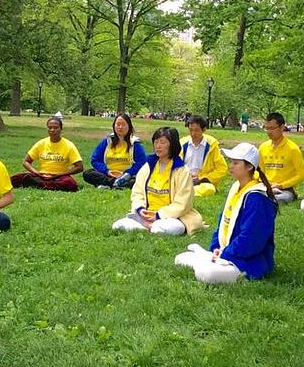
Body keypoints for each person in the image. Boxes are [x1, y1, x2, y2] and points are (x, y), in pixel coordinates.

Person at [174, 142, 277, 283]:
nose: (231, 166)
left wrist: (226, 253)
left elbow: (251, 239)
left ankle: (211, 262)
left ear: (249, 167)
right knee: (180, 258)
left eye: (236, 163)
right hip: (226, 252)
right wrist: (216, 248)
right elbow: (222, 223)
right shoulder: (236, 187)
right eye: (231, 162)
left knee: (207, 274)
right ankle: (211, 259)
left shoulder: (257, 198)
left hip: (248, 260)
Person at [112, 126, 205, 236]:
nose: (158, 146)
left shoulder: (182, 170)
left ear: (172, 144)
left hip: (172, 217)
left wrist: (158, 215)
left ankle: (149, 226)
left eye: (162, 142)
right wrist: (141, 209)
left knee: (162, 228)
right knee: (117, 225)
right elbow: (137, 193)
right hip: (146, 213)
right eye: (156, 142)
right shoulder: (148, 166)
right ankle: (147, 225)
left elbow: (183, 203)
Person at [10, 117, 84, 191]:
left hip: (59, 176)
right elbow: (26, 162)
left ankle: (39, 184)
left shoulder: (69, 145)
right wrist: (36, 172)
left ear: (61, 129)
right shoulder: (41, 143)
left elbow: (79, 167)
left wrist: (61, 174)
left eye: (55, 128)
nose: (52, 130)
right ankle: (42, 184)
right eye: (50, 127)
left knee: (70, 183)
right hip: (42, 175)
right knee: (15, 178)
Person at [83, 114, 147, 189]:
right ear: (114, 126)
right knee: (88, 173)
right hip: (107, 174)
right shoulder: (107, 142)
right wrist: (107, 171)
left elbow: (142, 162)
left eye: (123, 125)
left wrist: (127, 173)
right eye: (118, 124)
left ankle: (108, 185)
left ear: (129, 127)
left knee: (140, 180)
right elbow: (95, 160)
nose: (120, 127)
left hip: (127, 176)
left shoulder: (135, 144)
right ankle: (115, 184)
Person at [257, 112, 304, 203]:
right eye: (267, 128)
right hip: (265, 186)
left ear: (282, 127)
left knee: (280, 198)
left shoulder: (293, 149)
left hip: (285, 189)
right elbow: (259, 171)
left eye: (272, 128)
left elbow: (302, 174)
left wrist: (281, 185)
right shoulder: (263, 147)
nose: (269, 132)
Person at [180, 115, 228, 197]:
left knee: (209, 189)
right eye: (190, 130)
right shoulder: (182, 143)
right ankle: (186, 190)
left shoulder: (211, 145)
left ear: (204, 130)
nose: (193, 134)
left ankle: (186, 192)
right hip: (183, 179)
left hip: (202, 182)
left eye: (196, 130)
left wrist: (201, 178)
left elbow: (222, 169)